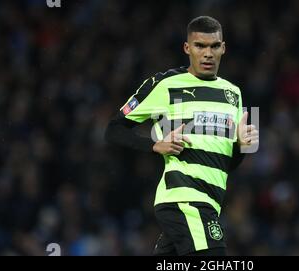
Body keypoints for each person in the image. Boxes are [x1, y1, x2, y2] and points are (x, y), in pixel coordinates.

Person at [105, 16, 259, 256]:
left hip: (209, 202)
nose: (208, 53)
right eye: (200, 46)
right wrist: (155, 145)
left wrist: (241, 146)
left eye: (214, 46)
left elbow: (225, 165)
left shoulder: (234, 94)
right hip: (185, 199)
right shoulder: (165, 84)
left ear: (223, 48)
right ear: (187, 48)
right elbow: (114, 130)